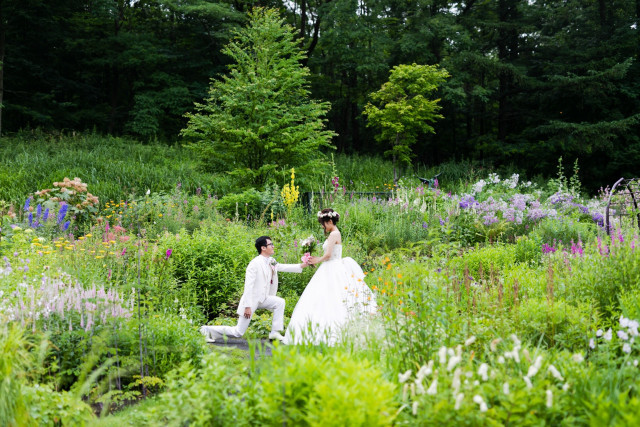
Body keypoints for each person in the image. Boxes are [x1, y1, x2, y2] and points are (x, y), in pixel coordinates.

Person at [283, 208, 377, 345]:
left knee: (332, 296)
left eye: (323, 223)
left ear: (330, 221)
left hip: (332, 266)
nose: (322, 226)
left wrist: (317, 260)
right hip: (330, 266)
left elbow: (327, 255)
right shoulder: (334, 233)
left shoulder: (334, 234)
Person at [199, 236, 307, 343]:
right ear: (263, 248)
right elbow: (248, 286)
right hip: (250, 301)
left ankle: (275, 332)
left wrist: (302, 265)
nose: (273, 246)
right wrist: (247, 306)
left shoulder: (271, 260)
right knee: (238, 332)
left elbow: (282, 267)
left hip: (263, 298)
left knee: (280, 302)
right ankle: (206, 329)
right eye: (270, 244)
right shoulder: (254, 264)